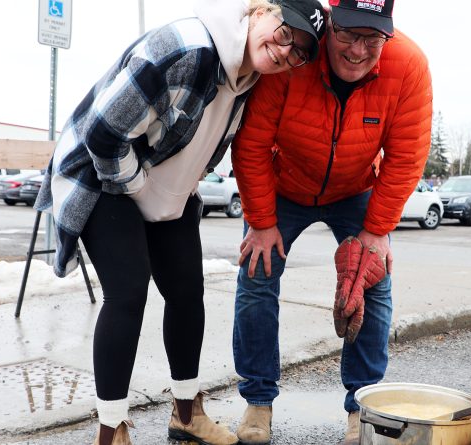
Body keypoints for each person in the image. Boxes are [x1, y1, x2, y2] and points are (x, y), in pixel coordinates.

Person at [34, 1, 326, 444]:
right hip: (102, 174)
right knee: (128, 293)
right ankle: (111, 431)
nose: (286, 51)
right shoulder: (185, 50)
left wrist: (176, 188)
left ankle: (186, 414)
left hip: (162, 185)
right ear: (262, 11)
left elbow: (202, 144)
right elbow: (102, 135)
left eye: (300, 51)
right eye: (286, 32)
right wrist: (140, 190)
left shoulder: (249, 79)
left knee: (188, 290)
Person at [230, 0, 432, 443]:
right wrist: (261, 222)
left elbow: (407, 156)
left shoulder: (409, 66)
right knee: (256, 274)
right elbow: (252, 143)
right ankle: (258, 402)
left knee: (374, 285)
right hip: (286, 185)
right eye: (347, 35)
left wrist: (376, 231)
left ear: (388, 34)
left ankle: (363, 406)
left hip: (356, 187)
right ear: (330, 24)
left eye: (372, 38)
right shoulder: (296, 52)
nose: (358, 50)